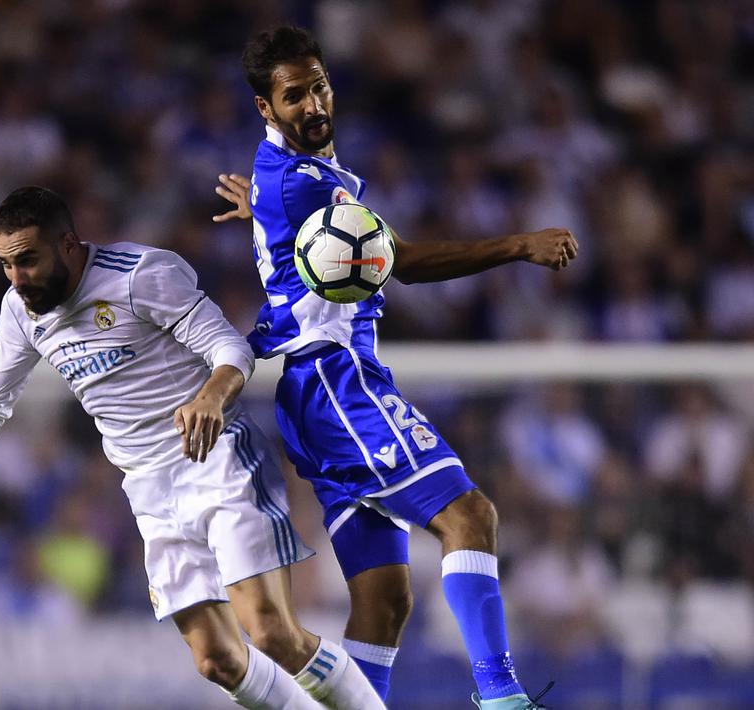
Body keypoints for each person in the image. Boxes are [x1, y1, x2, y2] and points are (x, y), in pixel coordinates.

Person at [0, 186, 384, 710]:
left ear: (67, 244)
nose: (17, 279)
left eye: (27, 261)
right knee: (216, 660)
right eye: (5, 266)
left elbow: (230, 348)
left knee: (269, 631)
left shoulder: (140, 275)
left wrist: (207, 398)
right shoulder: (20, 312)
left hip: (217, 458)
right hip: (149, 489)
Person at [211, 26, 577, 709]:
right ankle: (502, 699)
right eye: (294, 97)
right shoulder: (298, 186)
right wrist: (519, 244)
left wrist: (264, 213)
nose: (315, 104)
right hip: (335, 381)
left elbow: (301, 215)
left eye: (318, 85)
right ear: (264, 108)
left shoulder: (294, 177)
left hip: (316, 396)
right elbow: (400, 262)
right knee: (469, 516)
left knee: (383, 600)